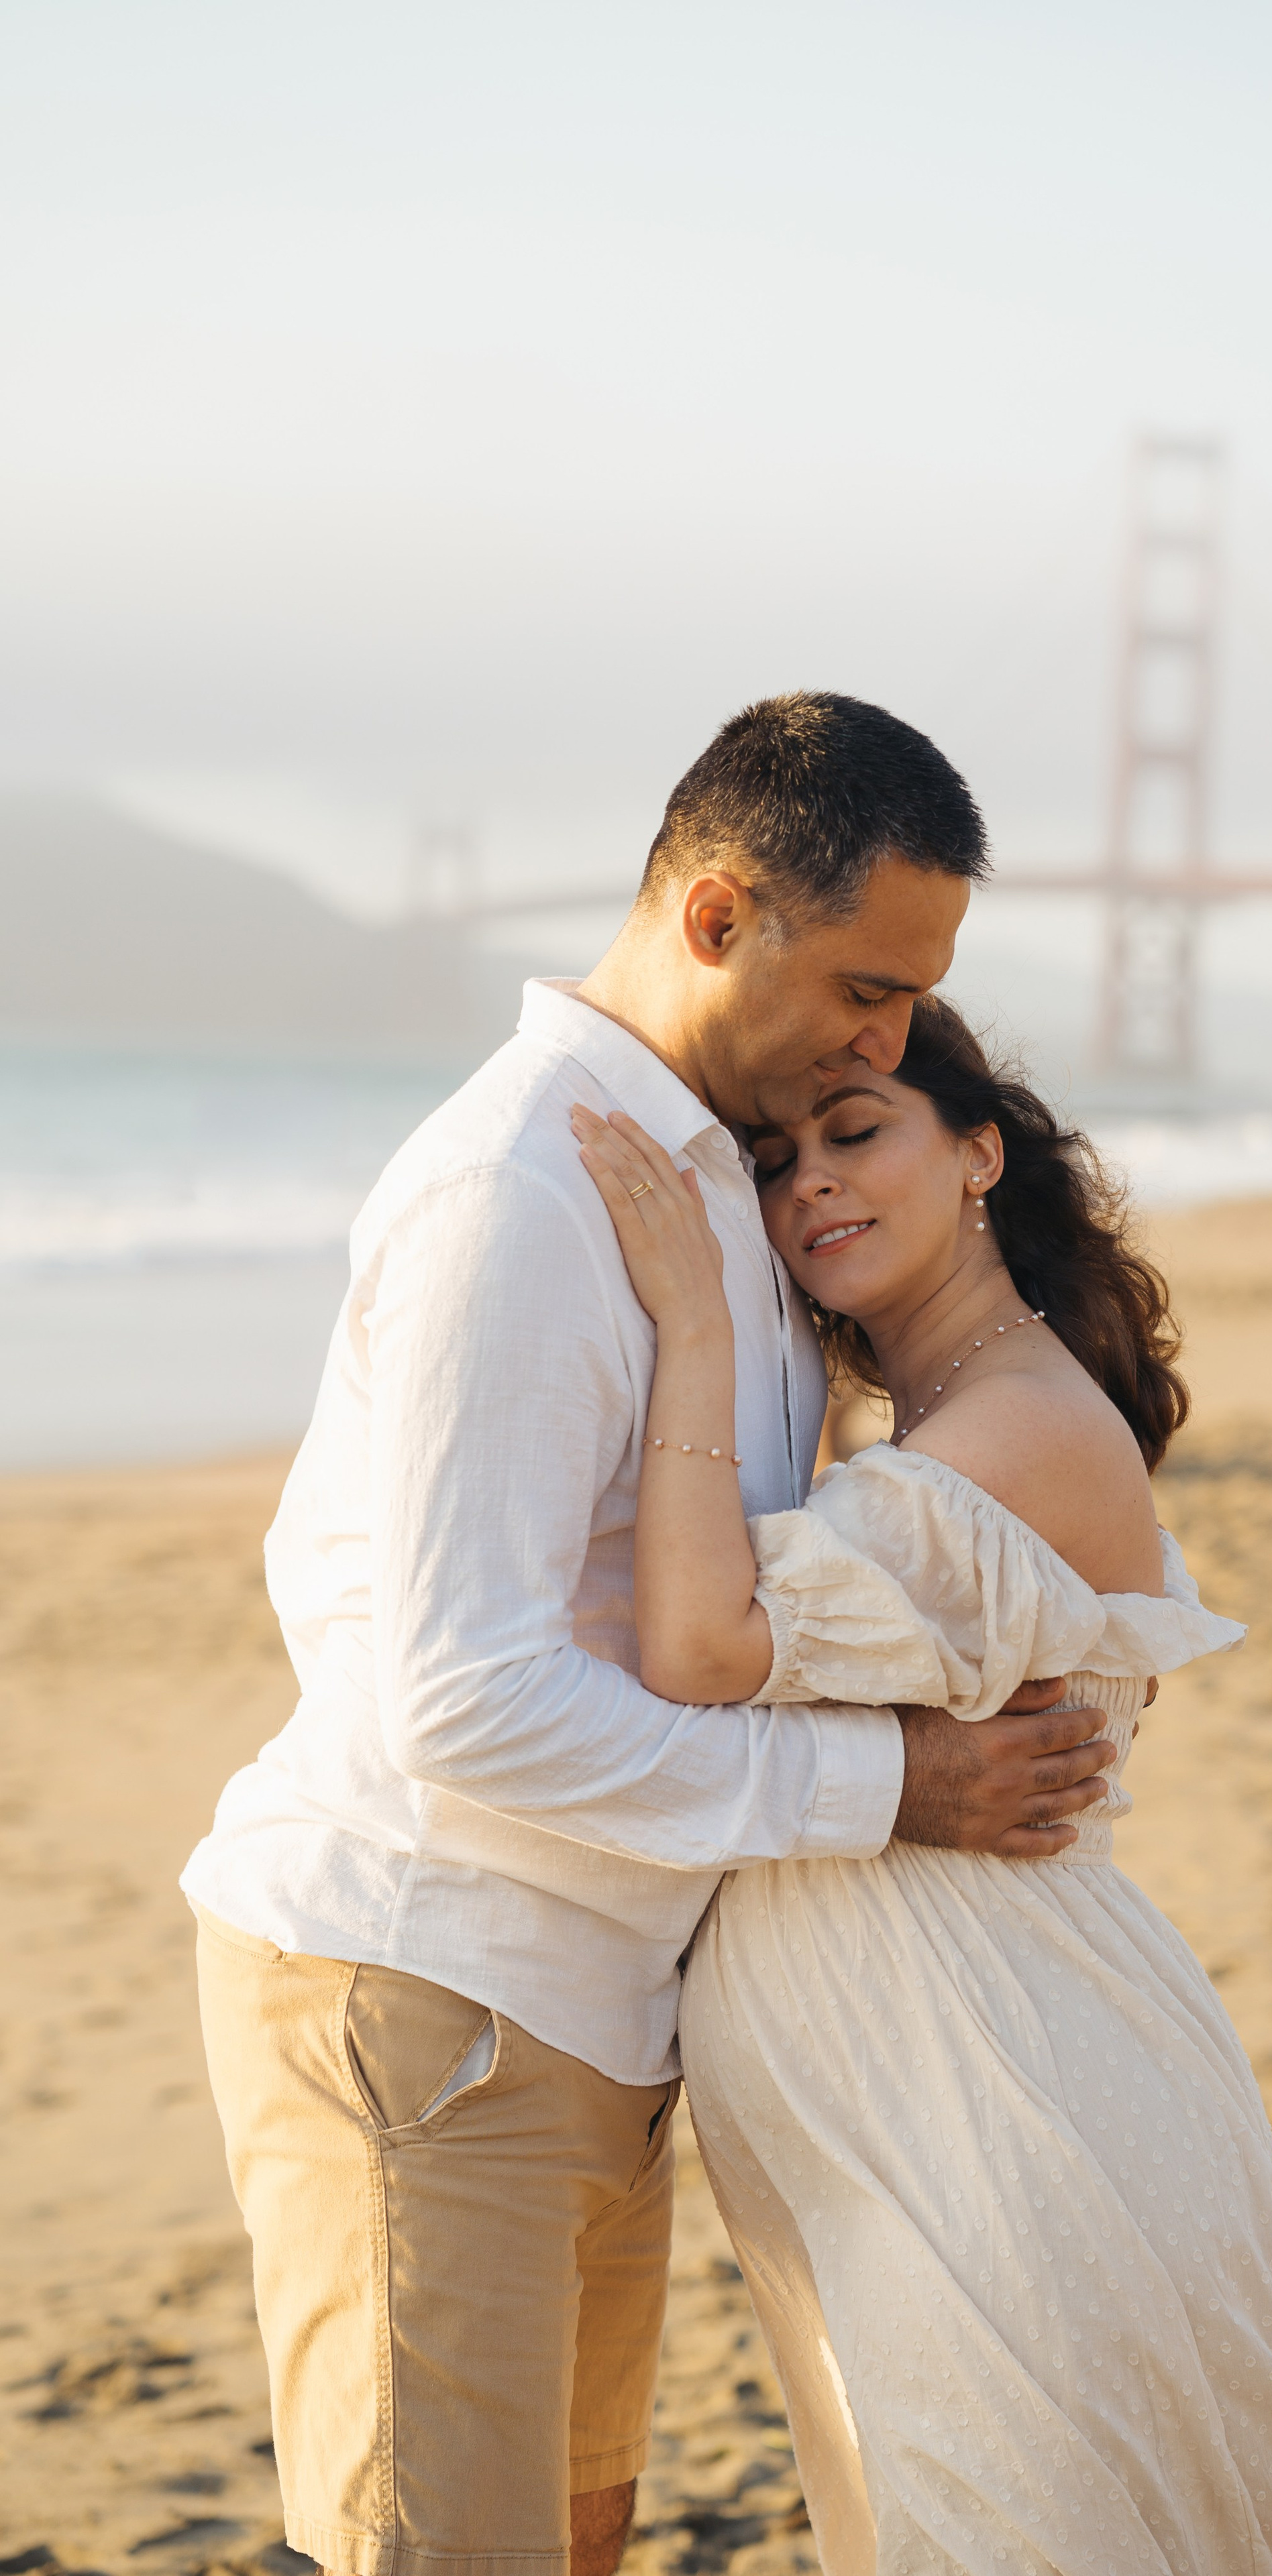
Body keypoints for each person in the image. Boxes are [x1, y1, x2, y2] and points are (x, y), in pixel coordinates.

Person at [180, 694, 1123, 2576]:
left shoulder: (725, 1191)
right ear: (714, 916)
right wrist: (898, 1787)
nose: (893, 1038)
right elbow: (464, 1700)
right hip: (427, 1982)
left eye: (913, 999)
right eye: (866, 986)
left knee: (572, 2542)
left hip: (593, 2005)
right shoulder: (521, 1190)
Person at [573, 997, 1272, 2576]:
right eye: (775, 1164)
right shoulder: (930, 1424)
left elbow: (703, 1645)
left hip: (1010, 2106)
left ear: (978, 1152)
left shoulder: (1018, 1429)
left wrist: (694, 1333)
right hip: (923, 2110)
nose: (809, 1192)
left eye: (857, 1136)